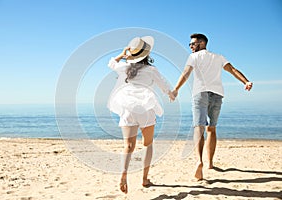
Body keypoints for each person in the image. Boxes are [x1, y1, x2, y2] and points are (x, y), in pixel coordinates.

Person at [172, 33, 253, 180]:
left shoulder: (194, 57)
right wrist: (246, 82)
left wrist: (176, 89)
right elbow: (233, 70)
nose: (190, 46)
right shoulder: (219, 57)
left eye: (193, 44)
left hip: (200, 93)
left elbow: (186, 73)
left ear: (202, 43)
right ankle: (209, 163)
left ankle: (199, 161)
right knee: (212, 129)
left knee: (199, 127)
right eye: (190, 44)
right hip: (217, 94)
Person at [107, 36, 175, 193]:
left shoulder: (124, 68)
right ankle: (144, 179)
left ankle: (123, 174)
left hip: (128, 106)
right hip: (146, 106)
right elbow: (163, 84)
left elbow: (111, 63)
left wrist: (123, 53)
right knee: (147, 144)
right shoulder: (151, 70)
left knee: (128, 146)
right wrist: (171, 94)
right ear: (146, 54)